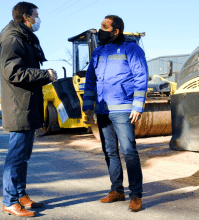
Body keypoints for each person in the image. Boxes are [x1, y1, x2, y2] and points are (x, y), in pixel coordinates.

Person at [0, 2, 57, 217]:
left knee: (23, 156)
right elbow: (12, 72)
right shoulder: (13, 38)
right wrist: (45, 75)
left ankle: (20, 195)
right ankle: (10, 201)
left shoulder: (23, 36)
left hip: (27, 106)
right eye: (36, 15)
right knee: (15, 157)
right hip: (19, 107)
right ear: (25, 17)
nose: (37, 19)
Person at [82, 15, 148, 212]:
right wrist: (87, 104)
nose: (100, 30)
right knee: (109, 151)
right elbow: (90, 79)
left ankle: (136, 195)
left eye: (104, 27)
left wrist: (137, 105)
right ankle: (117, 190)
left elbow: (141, 76)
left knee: (129, 151)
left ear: (116, 31)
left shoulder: (132, 49)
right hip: (103, 110)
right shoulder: (98, 52)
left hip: (123, 110)